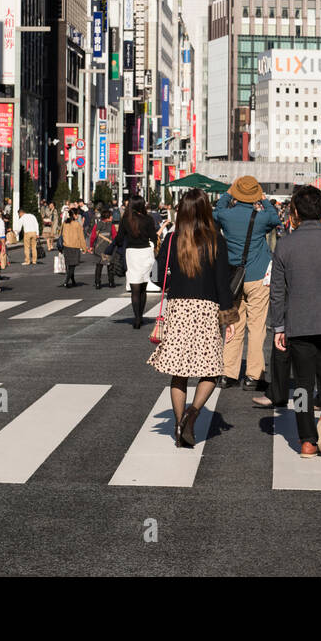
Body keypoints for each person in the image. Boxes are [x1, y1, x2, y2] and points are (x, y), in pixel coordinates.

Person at [268, 186, 321, 458]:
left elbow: (277, 291)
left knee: (303, 384)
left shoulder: (286, 243)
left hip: (298, 323)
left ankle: (306, 440)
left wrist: (278, 327)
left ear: (294, 212)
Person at [147, 189, 237, 448]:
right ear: (206, 210)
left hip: (178, 308)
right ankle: (193, 413)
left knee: (178, 371)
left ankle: (178, 423)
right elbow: (223, 283)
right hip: (206, 309)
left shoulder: (174, 238)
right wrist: (228, 319)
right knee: (210, 368)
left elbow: (157, 276)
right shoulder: (215, 240)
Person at [214, 177, 281, 387]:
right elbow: (275, 218)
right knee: (257, 326)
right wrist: (264, 199)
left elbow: (217, 208)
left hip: (232, 276)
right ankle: (253, 374)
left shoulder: (225, 215)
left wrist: (229, 193)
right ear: (255, 195)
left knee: (233, 324)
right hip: (258, 274)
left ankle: (228, 373)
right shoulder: (261, 218)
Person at [116, 199, 160, 329]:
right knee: (143, 287)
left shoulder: (126, 220)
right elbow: (153, 236)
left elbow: (119, 238)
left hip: (132, 253)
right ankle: (141, 315)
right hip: (146, 252)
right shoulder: (148, 219)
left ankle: (136, 318)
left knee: (134, 287)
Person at [90, 209, 118, 288]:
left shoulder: (97, 225)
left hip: (99, 248)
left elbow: (93, 237)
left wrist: (91, 246)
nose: (112, 217)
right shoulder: (111, 226)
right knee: (110, 265)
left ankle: (97, 283)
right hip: (108, 248)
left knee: (99, 265)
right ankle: (111, 282)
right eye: (111, 216)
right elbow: (114, 236)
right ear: (108, 217)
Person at [60, 209, 86, 287]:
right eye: (76, 214)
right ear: (74, 215)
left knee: (69, 265)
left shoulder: (64, 223)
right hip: (74, 246)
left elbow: (60, 234)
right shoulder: (77, 224)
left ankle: (73, 281)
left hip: (66, 246)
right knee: (72, 265)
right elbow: (81, 237)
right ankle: (66, 281)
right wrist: (84, 247)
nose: (77, 215)